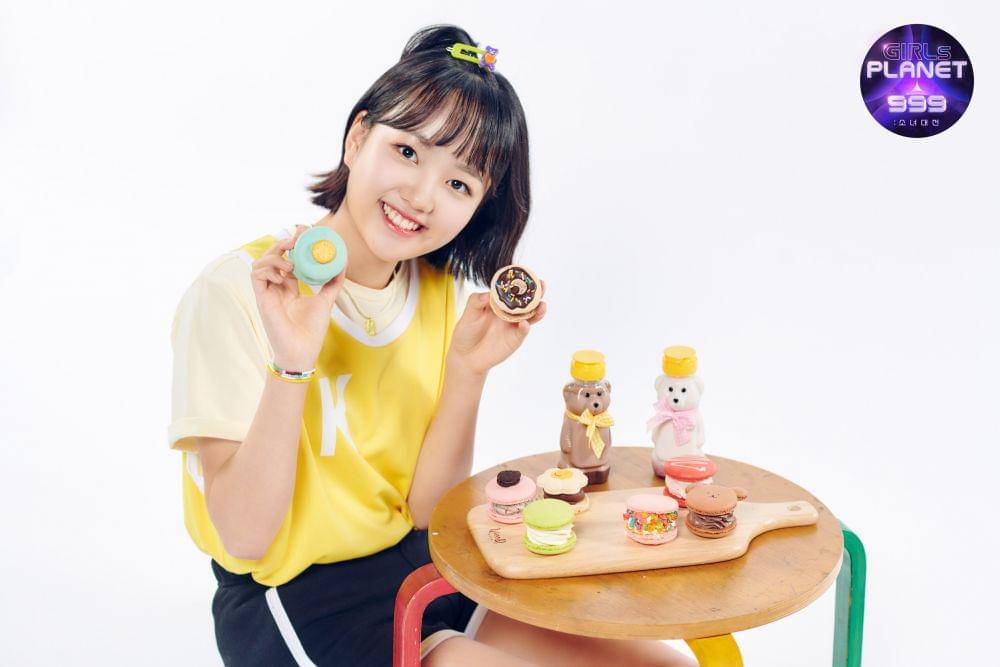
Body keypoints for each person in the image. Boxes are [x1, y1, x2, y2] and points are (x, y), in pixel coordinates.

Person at [169, 23, 695, 666]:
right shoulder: (241, 290)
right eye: (408, 151)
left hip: (415, 564)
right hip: (295, 598)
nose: (421, 197)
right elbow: (245, 539)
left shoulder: (437, 292)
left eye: (459, 184)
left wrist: (468, 371)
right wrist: (293, 364)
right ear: (358, 137)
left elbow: (426, 511)